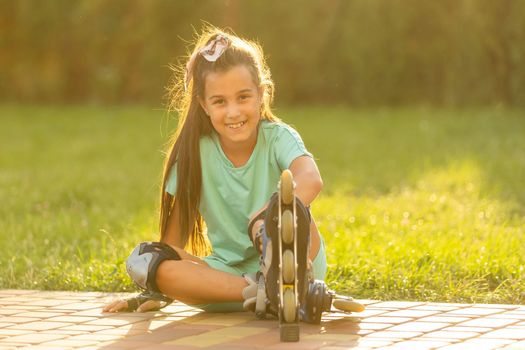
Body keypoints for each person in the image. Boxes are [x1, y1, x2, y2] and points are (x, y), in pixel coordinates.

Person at [103, 27, 326, 314]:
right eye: (220, 101)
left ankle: (284, 282)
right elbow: (173, 246)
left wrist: (267, 219)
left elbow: (311, 178)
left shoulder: (278, 138)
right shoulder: (194, 154)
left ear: (261, 94)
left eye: (243, 97)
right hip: (230, 278)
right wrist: (158, 287)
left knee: (290, 215)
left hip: (297, 262)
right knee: (147, 259)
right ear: (203, 105)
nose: (233, 112)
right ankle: (269, 293)